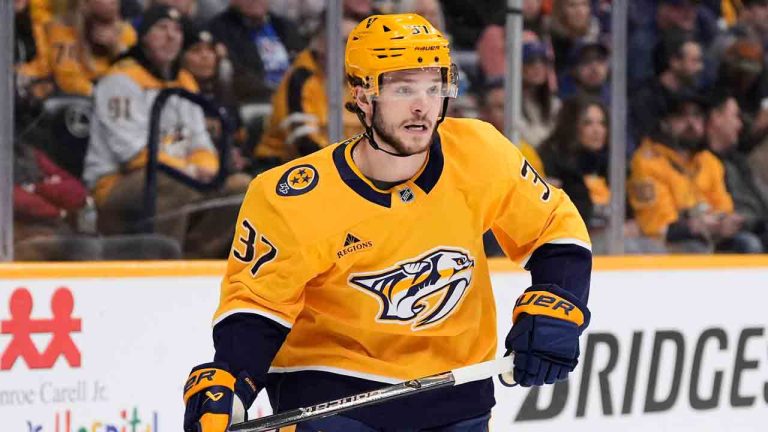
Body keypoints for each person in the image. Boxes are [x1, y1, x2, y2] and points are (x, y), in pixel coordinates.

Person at [182, 13, 592, 432]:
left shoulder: (480, 153)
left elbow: (553, 227)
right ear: (362, 95)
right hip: (332, 398)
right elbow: (259, 304)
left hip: (455, 397)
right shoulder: (291, 196)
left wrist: (555, 302)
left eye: (434, 87)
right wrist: (231, 378)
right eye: (402, 88)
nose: (422, 105)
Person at [84, 5, 248, 257]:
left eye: (177, 29)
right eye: (161, 28)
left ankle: (196, 258)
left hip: (180, 175)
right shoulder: (120, 80)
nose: (171, 36)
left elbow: (200, 142)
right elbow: (132, 154)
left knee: (241, 187)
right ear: (144, 36)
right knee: (172, 183)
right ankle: (163, 261)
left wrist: (206, 168)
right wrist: (188, 171)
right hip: (116, 184)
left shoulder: (183, 80)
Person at [629, 92, 762, 253]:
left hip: (711, 237)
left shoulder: (709, 161)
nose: (691, 123)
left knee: (749, 241)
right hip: (665, 248)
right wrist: (702, 225)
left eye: (697, 116)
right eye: (681, 116)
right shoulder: (647, 162)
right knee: (697, 248)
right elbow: (657, 227)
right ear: (665, 122)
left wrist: (724, 222)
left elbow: (724, 208)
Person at [253, 15, 362, 166]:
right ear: (324, 46)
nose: (357, 50)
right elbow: (302, 141)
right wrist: (345, 164)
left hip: (340, 163)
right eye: (347, 42)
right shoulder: (301, 77)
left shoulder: (357, 79)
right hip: (283, 165)